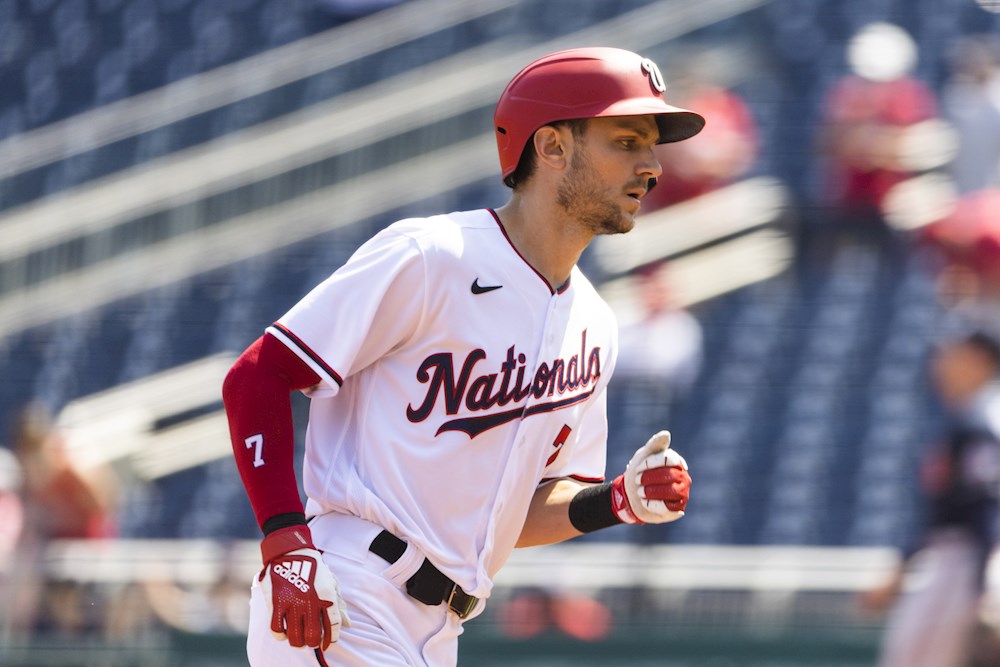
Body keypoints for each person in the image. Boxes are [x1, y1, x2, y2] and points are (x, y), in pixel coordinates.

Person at [222, 47, 700, 666]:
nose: (652, 166)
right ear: (552, 147)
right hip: (347, 595)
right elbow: (258, 375)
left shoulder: (594, 324)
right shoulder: (433, 256)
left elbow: (512, 514)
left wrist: (617, 501)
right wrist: (286, 544)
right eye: (628, 141)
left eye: (651, 146)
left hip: (440, 627)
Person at [861, 329, 1000, 667]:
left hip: (965, 562)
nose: (940, 365)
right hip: (963, 559)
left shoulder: (982, 419)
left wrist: (985, 583)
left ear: (978, 362)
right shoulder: (975, 417)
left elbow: (986, 507)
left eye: (953, 356)